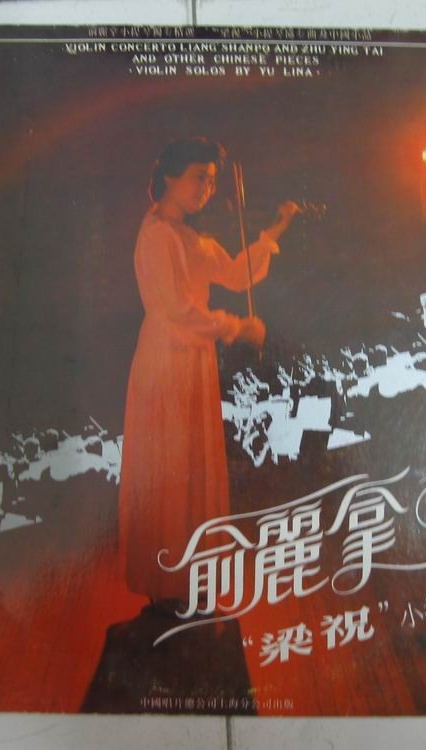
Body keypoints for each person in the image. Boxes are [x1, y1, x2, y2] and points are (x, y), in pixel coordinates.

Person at [118, 137, 299, 609]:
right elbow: (176, 310)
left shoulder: (189, 237)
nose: (207, 188)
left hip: (194, 356)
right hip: (167, 356)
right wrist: (238, 327)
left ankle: (188, 578)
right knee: (168, 467)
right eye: (199, 177)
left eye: (213, 181)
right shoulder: (157, 235)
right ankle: (165, 583)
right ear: (170, 178)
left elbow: (237, 275)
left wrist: (275, 229)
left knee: (191, 466)